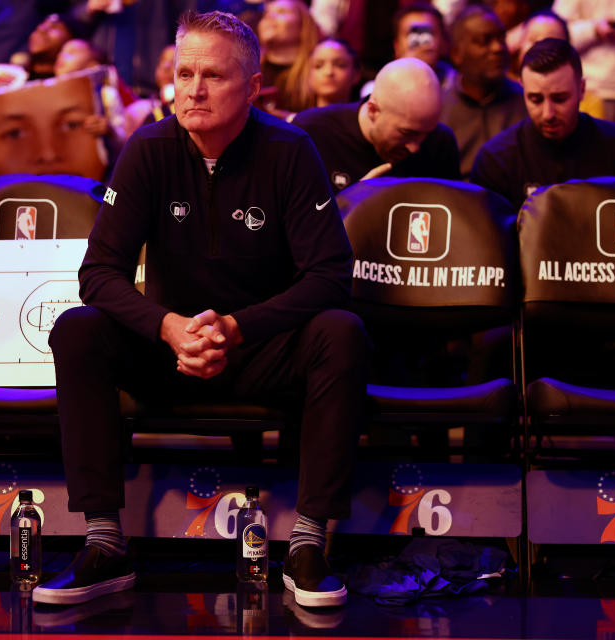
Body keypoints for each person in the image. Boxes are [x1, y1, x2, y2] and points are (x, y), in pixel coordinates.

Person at [35, 10, 369, 610]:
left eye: (212, 75)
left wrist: (239, 328)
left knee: (341, 332)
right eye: (184, 73)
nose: (193, 89)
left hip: (260, 349)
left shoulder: (291, 151)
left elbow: (331, 274)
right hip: (169, 352)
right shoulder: (148, 149)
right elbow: (98, 274)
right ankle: (103, 542)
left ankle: (309, 543)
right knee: (78, 330)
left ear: (253, 85)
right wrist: (167, 328)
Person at [471, 38, 615, 208]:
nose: (548, 114)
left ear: (581, 89)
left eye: (560, 99)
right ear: (522, 90)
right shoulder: (496, 159)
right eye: (536, 100)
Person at [292, 57, 460, 193]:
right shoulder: (314, 132)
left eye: (426, 133)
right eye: (406, 132)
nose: (415, 147)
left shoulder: (441, 143)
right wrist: (352, 200)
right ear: (373, 110)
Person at [0, 72, 108, 191]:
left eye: (72, 125)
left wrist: (114, 138)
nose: (48, 155)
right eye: (15, 134)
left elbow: (119, 200)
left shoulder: (110, 194)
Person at [439, 5, 527, 178]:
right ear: (456, 54)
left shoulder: (527, 102)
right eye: (484, 41)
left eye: (501, 38)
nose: (498, 48)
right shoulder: (439, 109)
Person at [257, 0, 321, 114]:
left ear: (302, 24)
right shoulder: (249, 70)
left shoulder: (318, 73)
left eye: (282, 12)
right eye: (266, 14)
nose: (270, 16)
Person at [304, 38, 361, 109]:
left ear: (356, 75)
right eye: (318, 66)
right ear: (308, 76)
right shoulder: (297, 119)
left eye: (340, 65)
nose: (329, 72)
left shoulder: (364, 119)